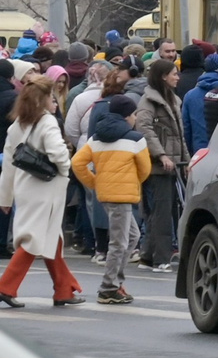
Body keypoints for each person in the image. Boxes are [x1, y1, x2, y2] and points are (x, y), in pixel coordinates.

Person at [0, 76, 77, 307]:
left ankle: (64, 289)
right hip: (47, 187)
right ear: (43, 100)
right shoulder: (47, 122)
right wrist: (66, 168)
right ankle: (6, 286)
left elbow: (8, 165)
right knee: (34, 239)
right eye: (51, 97)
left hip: (25, 186)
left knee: (52, 238)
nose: (54, 101)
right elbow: (58, 153)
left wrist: (5, 197)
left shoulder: (16, 125)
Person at [71, 93, 153, 305]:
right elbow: (145, 170)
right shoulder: (135, 139)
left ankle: (116, 281)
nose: (135, 118)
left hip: (106, 195)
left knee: (131, 237)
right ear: (127, 116)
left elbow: (78, 163)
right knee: (120, 242)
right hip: (123, 196)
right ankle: (108, 287)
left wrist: (95, 182)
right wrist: (132, 182)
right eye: (134, 114)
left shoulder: (96, 138)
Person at [134, 57, 185, 270]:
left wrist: (186, 160)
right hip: (159, 166)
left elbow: (179, 136)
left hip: (170, 164)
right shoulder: (149, 102)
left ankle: (148, 255)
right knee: (162, 212)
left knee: (159, 211)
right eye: (174, 74)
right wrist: (162, 155)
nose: (177, 77)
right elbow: (145, 130)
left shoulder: (172, 100)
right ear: (163, 77)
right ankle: (161, 258)